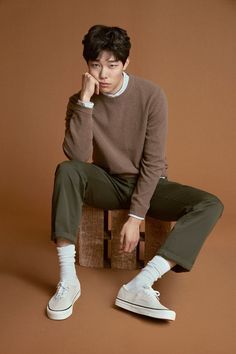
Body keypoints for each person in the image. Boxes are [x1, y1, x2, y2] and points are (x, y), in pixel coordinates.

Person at [46, 25, 224, 321]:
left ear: (126, 64)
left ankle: (142, 282)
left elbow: (153, 163)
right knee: (66, 171)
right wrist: (86, 102)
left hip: (151, 184)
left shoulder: (151, 95)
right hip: (107, 182)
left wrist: (136, 216)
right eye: (95, 65)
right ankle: (68, 280)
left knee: (211, 204)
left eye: (112, 65)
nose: (103, 74)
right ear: (87, 65)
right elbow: (77, 157)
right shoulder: (79, 101)